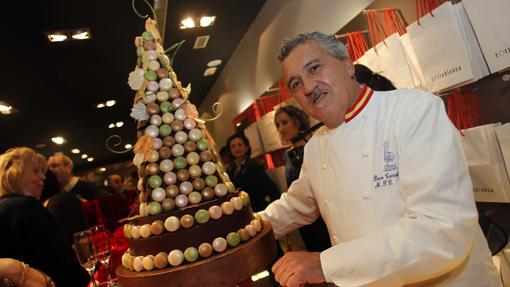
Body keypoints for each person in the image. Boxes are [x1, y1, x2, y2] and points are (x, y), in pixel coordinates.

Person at [259, 32, 501, 287]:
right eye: (296, 83)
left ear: (347, 64)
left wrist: (326, 264)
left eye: (314, 68)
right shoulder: (316, 146)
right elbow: (295, 205)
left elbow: (441, 231)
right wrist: (248, 227)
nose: (308, 88)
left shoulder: (413, 110)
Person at [0, 147, 89, 287]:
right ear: (15, 173)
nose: (43, 177)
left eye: (42, 171)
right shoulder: (26, 206)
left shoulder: (5, 207)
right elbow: (63, 266)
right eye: (36, 171)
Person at [274, 105, 331, 252]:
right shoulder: (287, 155)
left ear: (297, 121)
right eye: (277, 125)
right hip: (301, 216)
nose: (281, 128)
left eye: (284, 122)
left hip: (324, 214)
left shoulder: (314, 145)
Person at [226, 133, 281, 212]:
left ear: (247, 147)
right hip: (243, 210)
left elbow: (270, 187)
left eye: (240, 145)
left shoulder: (252, 165)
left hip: (259, 209)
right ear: (230, 150)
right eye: (233, 146)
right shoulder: (230, 170)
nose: (237, 148)